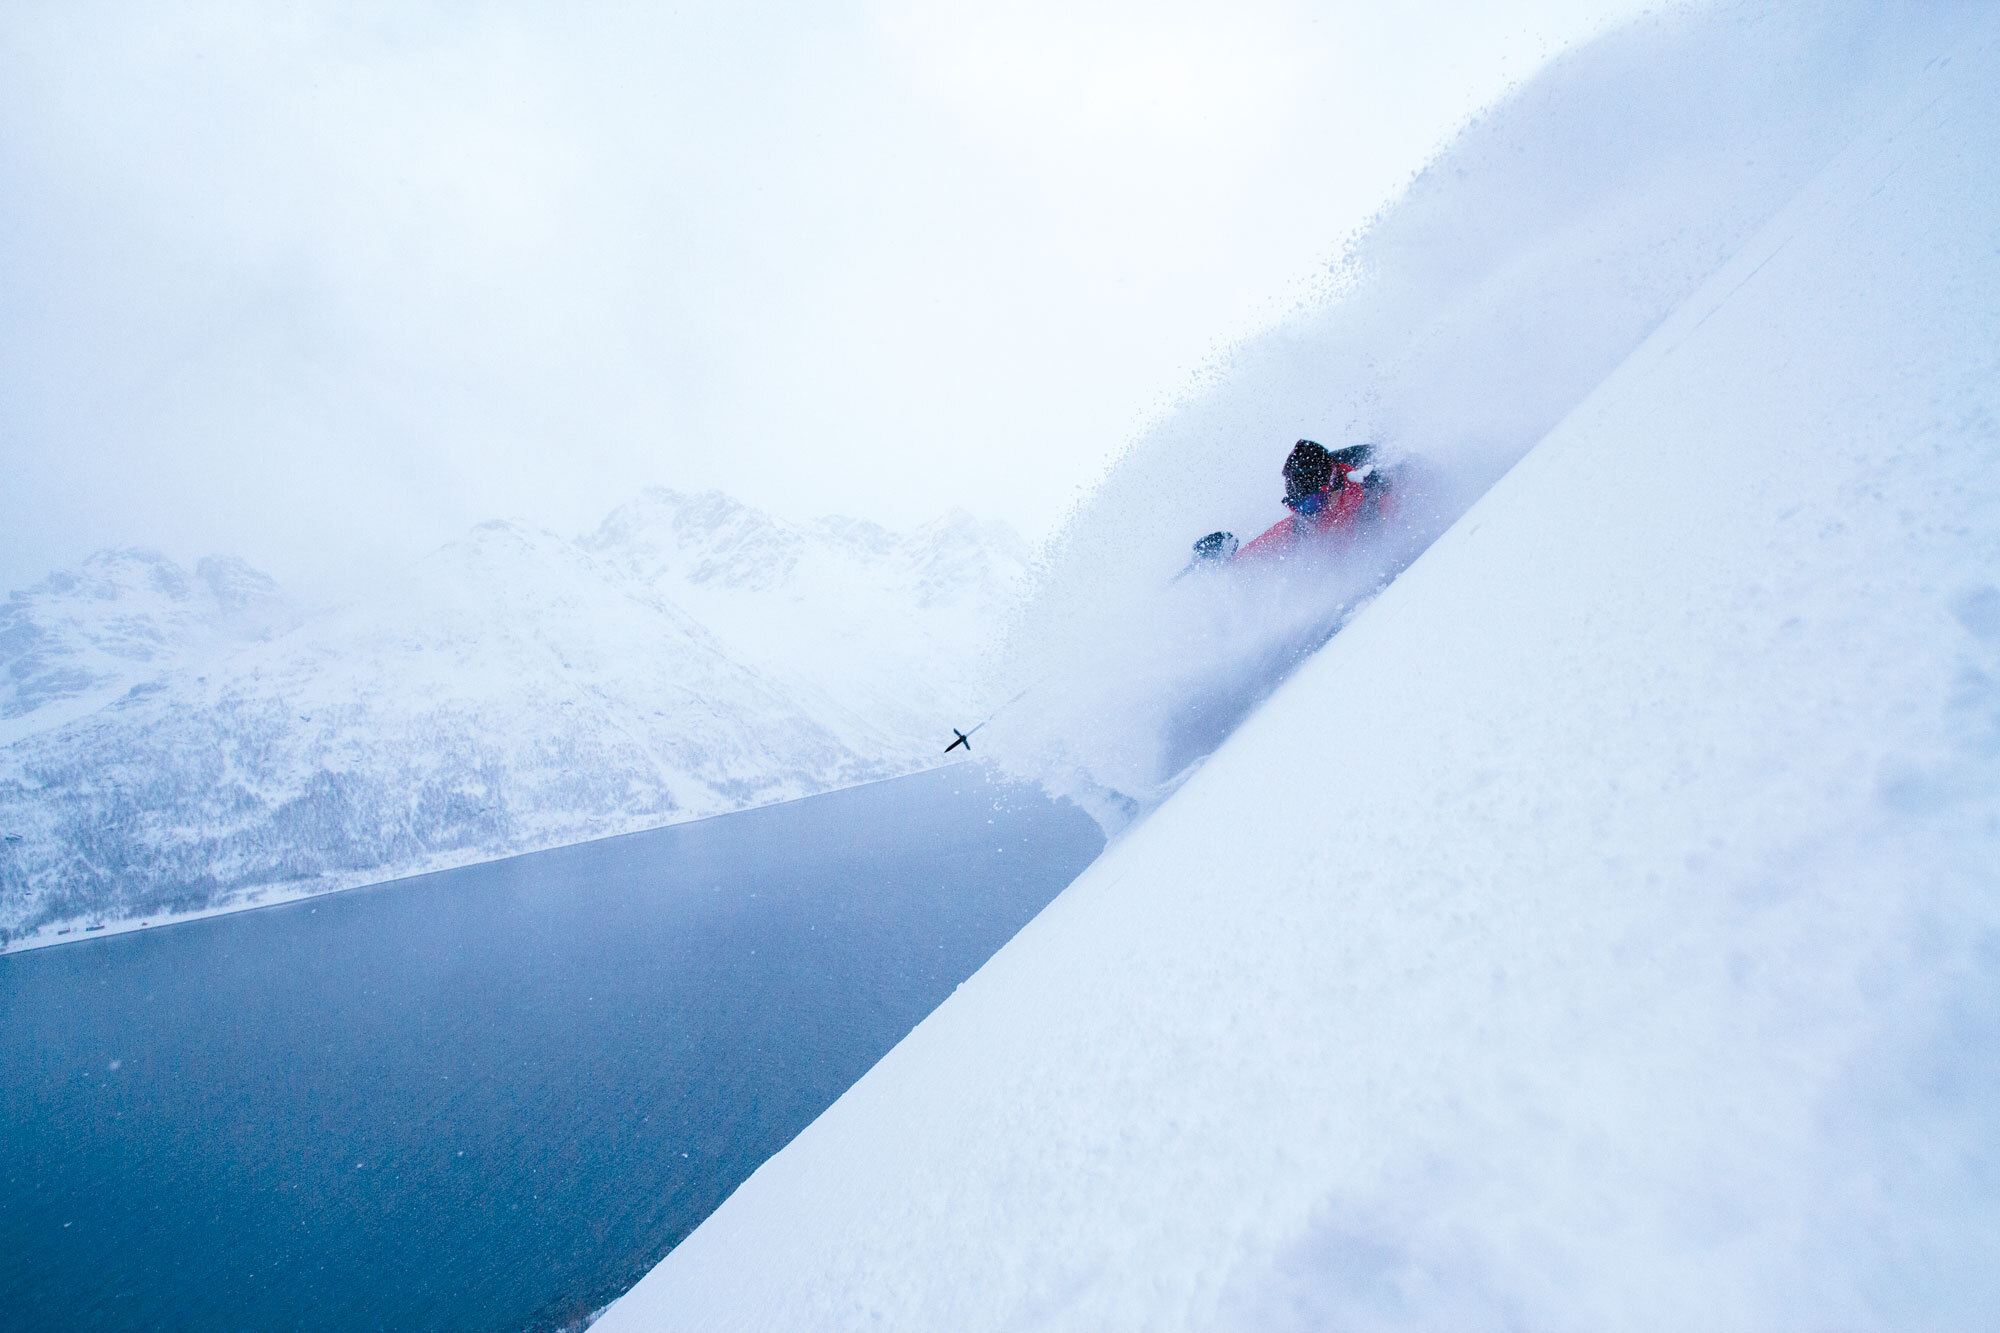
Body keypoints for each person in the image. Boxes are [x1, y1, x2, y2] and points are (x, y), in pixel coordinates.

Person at [1231, 439, 1392, 563]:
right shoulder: (1304, 524)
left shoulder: (1376, 495)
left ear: (1332, 489)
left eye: (1311, 504)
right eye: (1298, 507)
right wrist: (1226, 562)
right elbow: (1265, 547)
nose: (1307, 515)